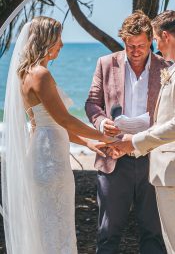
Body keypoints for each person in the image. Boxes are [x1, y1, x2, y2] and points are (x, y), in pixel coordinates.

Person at [1, 16, 111, 254]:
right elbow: (64, 120)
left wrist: (89, 143)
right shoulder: (40, 74)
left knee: (48, 225)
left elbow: (49, 124)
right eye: (58, 38)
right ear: (46, 40)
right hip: (50, 161)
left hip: (44, 151)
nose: (61, 44)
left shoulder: (26, 73)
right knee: (56, 226)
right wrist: (105, 137)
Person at [105, 10, 175, 254]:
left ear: (165, 36)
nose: (155, 46)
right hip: (171, 170)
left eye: (155, 38)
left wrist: (136, 141)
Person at [85, 10, 168, 254]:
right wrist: (101, 123)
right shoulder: (106, 63)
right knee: (108, 233)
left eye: (141, 45)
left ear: (151, 40)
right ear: (123, 41)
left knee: (153, 234)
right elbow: (92, 103)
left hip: (153, 159)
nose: (135, 50)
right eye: (130, 45)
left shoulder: (166, 67)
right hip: (113, 158)